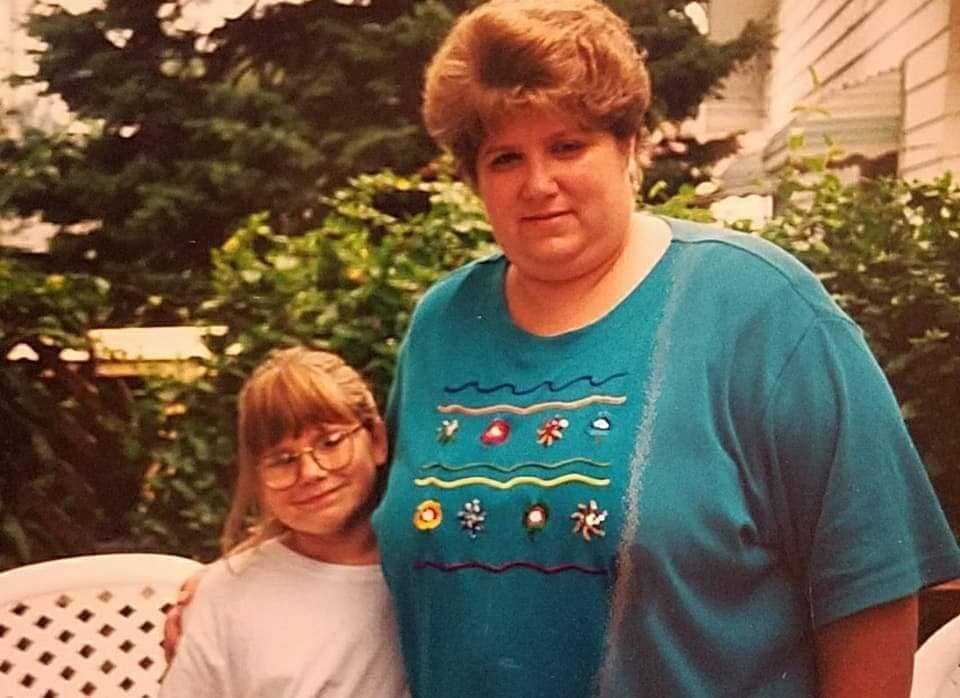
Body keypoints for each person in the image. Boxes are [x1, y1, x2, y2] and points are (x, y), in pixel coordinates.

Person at [166, 1, 960, 695]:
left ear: (629, 146)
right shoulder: (445, 322)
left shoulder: (758, 308)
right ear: (474, 179)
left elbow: (873, 590)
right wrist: (244, 588)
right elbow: (383, 522)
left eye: (569, 145)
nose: (537, 182)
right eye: (504, 157)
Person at [158, 347, 408, 698]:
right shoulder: (225, 594)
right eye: (281, 460)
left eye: (330, 442)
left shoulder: (426, 569)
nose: (310, 472)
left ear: (377, 440)